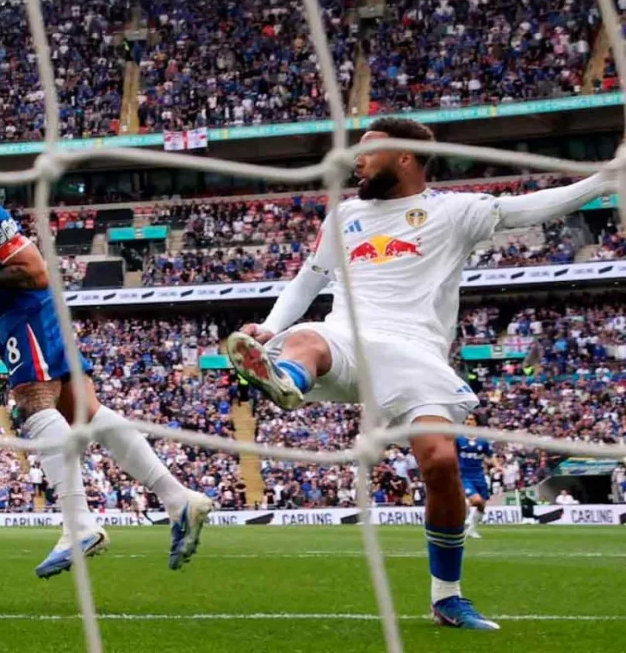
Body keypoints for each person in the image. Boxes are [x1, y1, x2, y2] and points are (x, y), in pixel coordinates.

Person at [225, 116, 616, 631]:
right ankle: (285, 380)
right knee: (304, 339)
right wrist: (269, 326)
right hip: (346, 336)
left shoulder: (453, 212)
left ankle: (446, 596)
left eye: (367, 152)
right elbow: (310, 279)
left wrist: (605, 179)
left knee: (439, 463)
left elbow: (530, 208)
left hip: (415, 351)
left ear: (404, 156)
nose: (354, 161)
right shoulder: (344, 216)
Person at [0, 167, 212, 577]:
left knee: (33, 401)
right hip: (5, 313)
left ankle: (80, 525)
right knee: (84, 411)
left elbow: (37, 272)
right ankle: (178, 499)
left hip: (25, 307)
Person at [457, 414, 492, 539]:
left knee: (482, 504)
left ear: (476, 423)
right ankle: (462, 523)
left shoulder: (482, 441)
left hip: (479, 475)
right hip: (464, 475)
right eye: (466, 419)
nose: (468, 421)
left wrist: (498, 466)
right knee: (476, 500)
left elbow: (490, 456)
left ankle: (471, 529)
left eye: (471, 419)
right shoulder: (458, 439)